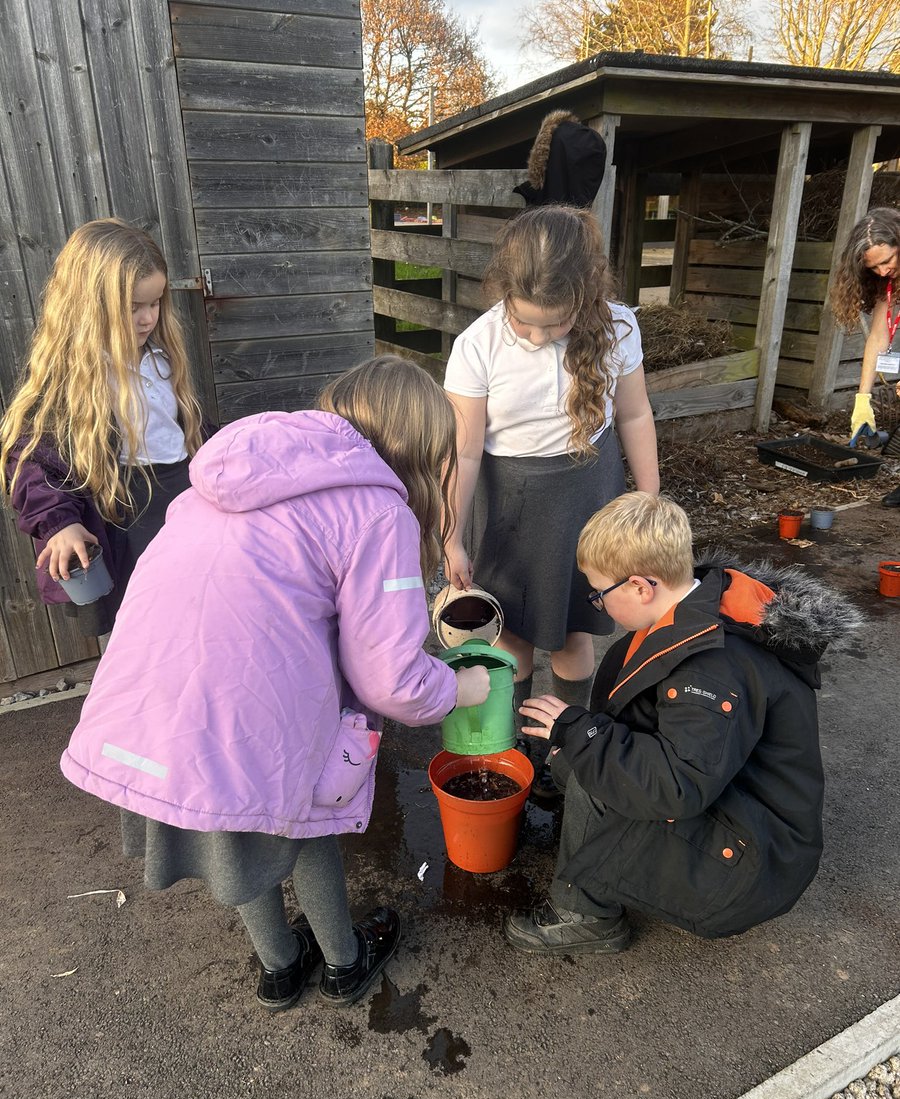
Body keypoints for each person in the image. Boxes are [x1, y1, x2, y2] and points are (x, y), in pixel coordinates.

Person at [60, 356, 491, 1011]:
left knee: (232, 821)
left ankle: (280, 966)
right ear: (419, 446)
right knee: (300, 818)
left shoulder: (228, 473)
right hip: (249, 701)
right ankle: (344, 962)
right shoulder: (378, 509)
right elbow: (390, 678)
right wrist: (461, 689)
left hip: (156, 694)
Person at [505, 492, 860, 954]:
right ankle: (601, 847)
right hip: (733, 800)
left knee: (595, 773)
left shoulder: (711, 672)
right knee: (577, 760)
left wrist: (579, 733)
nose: (597, 605)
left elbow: (675, 786)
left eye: (599, 594)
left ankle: (585, 916)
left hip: (750, 863)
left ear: (641, 586)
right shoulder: (703, 601)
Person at [443, 205, 659, 796]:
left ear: (585, 297)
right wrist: (452, 535)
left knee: (572, 633)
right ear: (503, 294)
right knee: (511, 632)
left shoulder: (618, 327)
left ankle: (566, 743)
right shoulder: (477, 344)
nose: (538, 338)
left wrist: (649, 499)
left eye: (555, 324)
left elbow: (635, 414)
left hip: (587, 494)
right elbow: (463, 453)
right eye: (525, 323)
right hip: (508, 502)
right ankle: (514, 742)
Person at [0, 218, 207, 636]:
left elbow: (182, 430)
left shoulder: (159, 358)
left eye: (155, 303)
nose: (148, 318)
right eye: (132, 307)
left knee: (197, 610)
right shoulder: (73, 379)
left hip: (186, 499)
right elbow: (29, 461)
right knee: (145, 625)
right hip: (128, 512)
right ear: (89, 304)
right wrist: (59, 524)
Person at [830, 206, 900, 507]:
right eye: (874, 267)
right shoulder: (889, 283)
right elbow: (877, 337)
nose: (882, 271)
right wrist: (862, 398)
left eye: (887, 261)